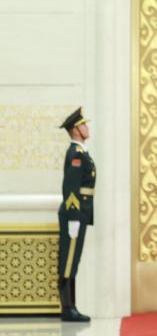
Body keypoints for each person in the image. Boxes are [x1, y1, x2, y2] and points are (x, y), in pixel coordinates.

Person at [57, 108, 94, 323]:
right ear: (75, 130)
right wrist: (73, 216)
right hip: (75, 213)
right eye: (84, 125)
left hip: (80, 212)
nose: (87, 128)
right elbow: (70, 189)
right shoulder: (75, 154)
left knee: (73, 259)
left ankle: (71, 306)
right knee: (68, 260)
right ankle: (67, 308)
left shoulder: (81, 152)